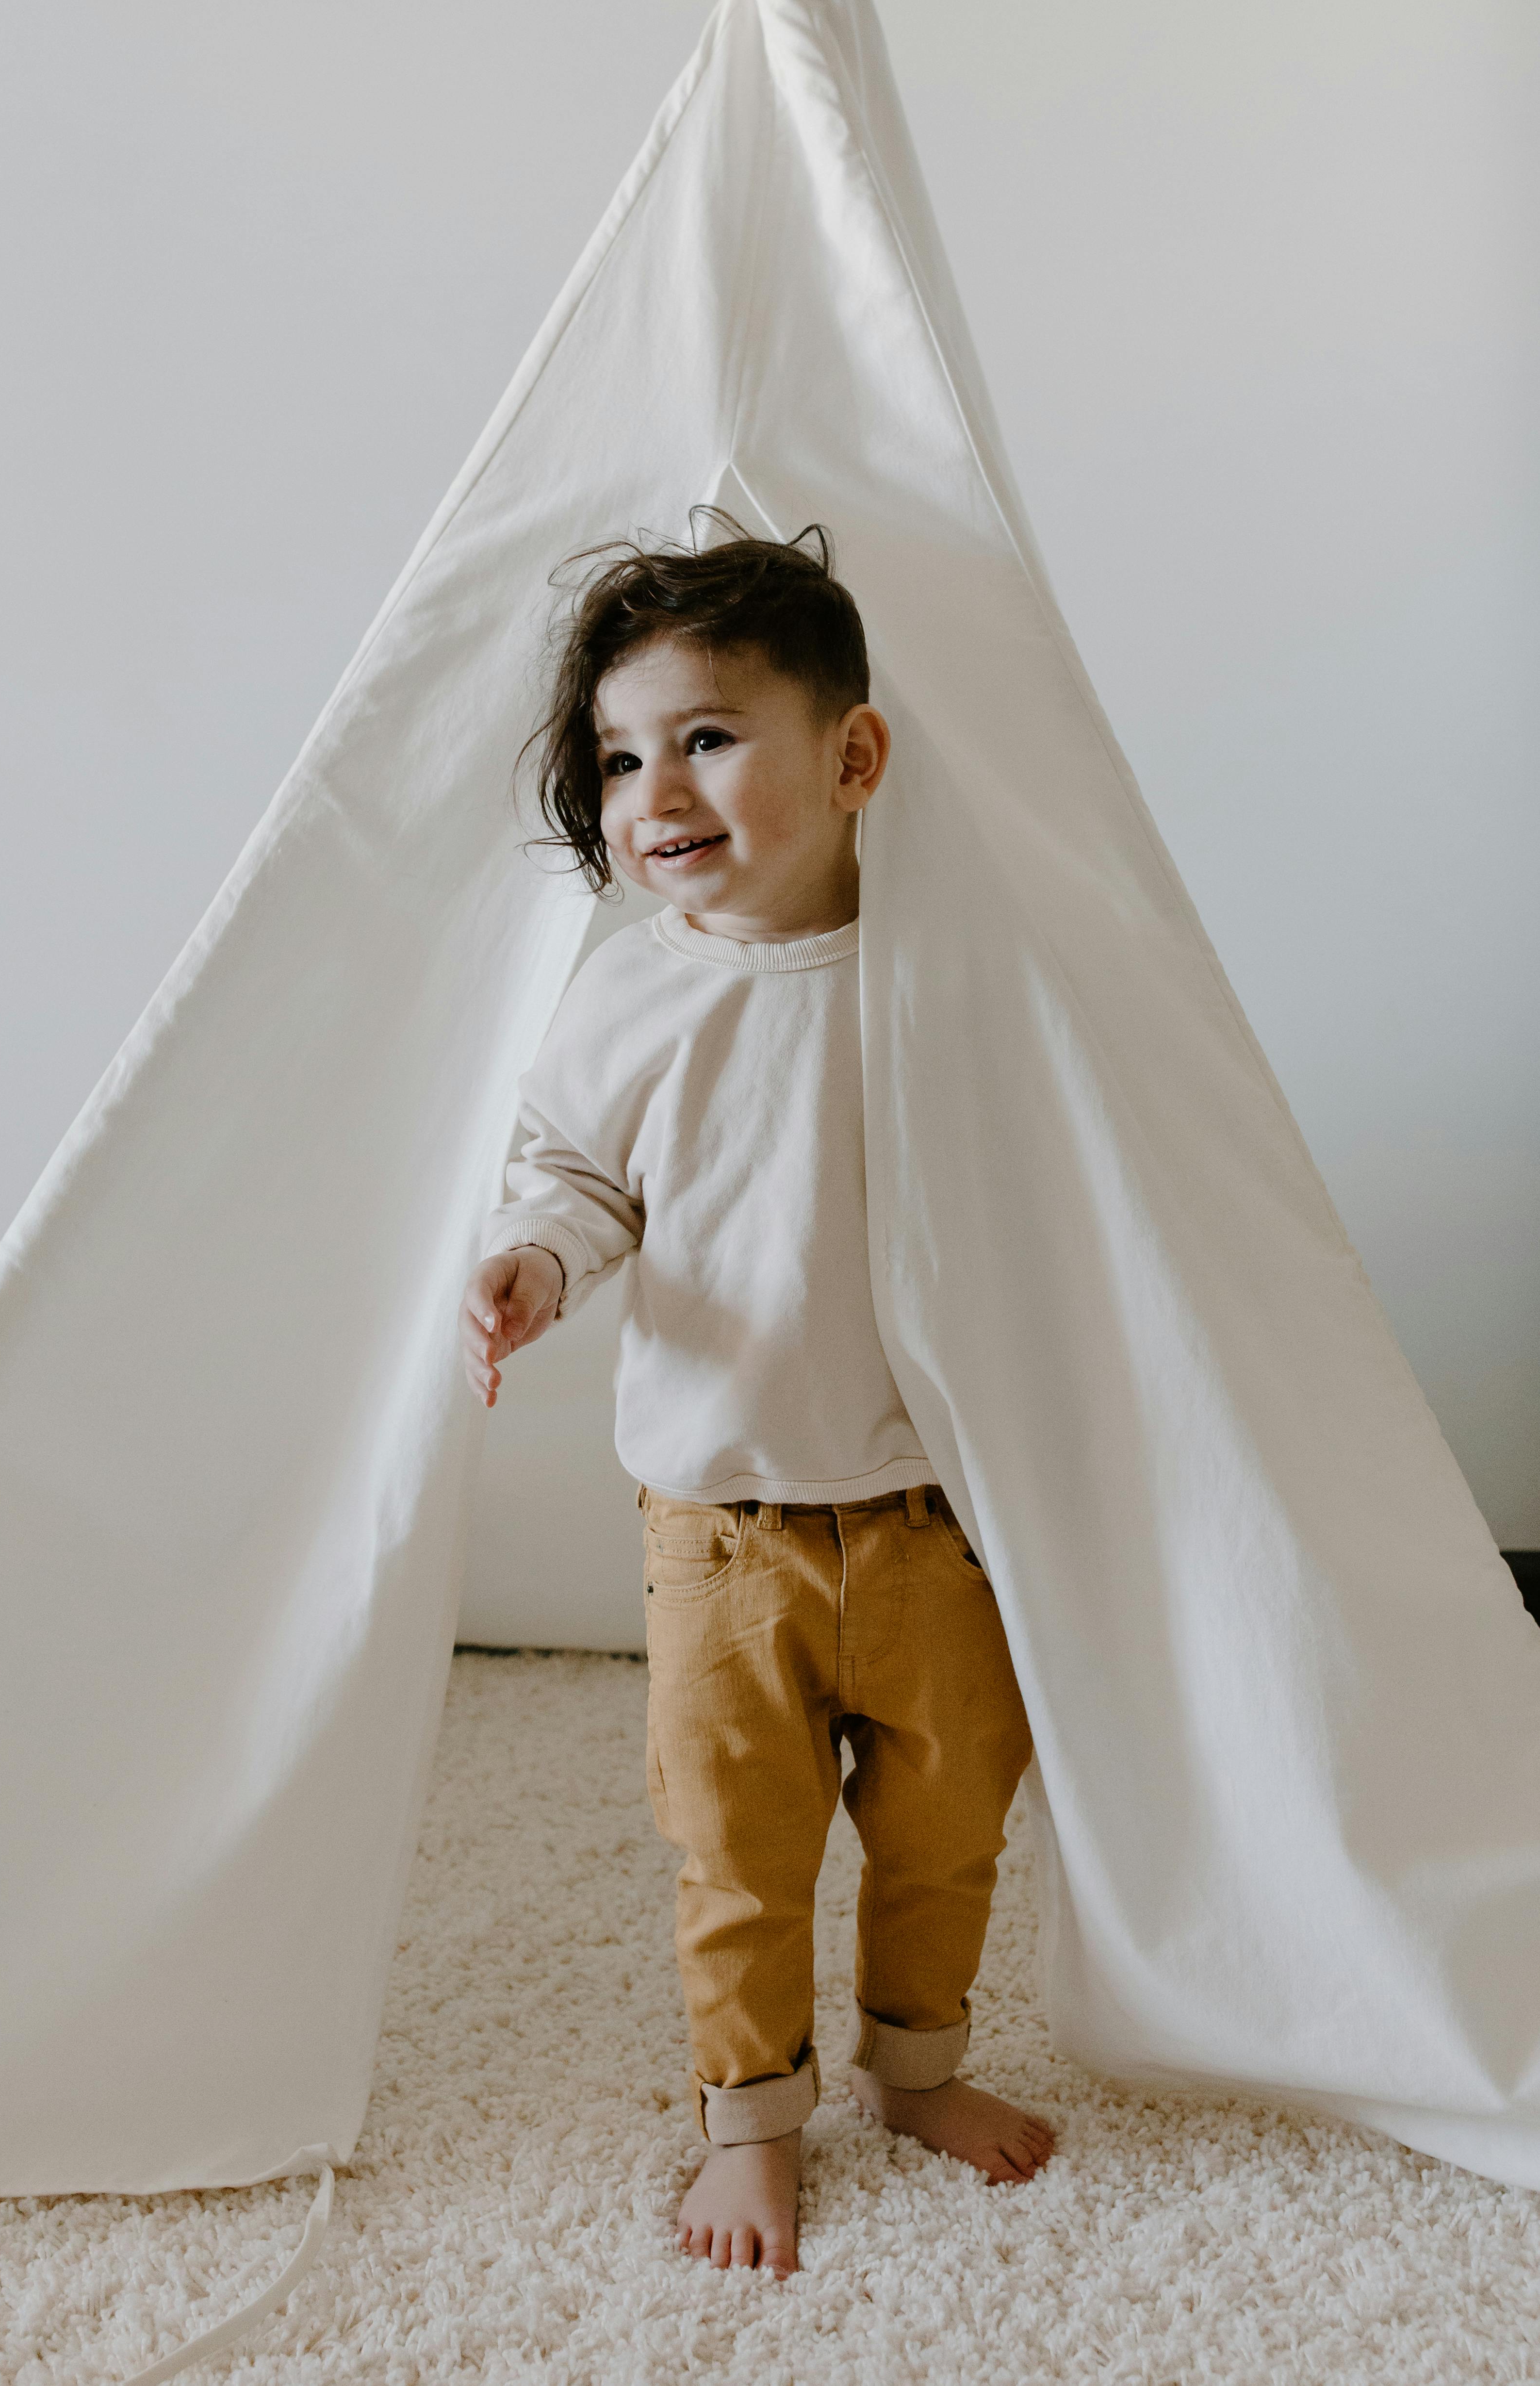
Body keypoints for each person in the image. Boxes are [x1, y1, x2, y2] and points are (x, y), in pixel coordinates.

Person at [458, 522, 1055, 2276]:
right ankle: (749, 2120)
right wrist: (534, 1262)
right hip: (719, 1523)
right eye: (621, 757)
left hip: (936, 1511)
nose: (655, 791)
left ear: (851, 757)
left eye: (707, 737)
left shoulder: (947, 970)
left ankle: (921, 2067)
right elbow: (572, 1170)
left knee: (946, 1830)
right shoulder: (633, 989)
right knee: (737, 1848)